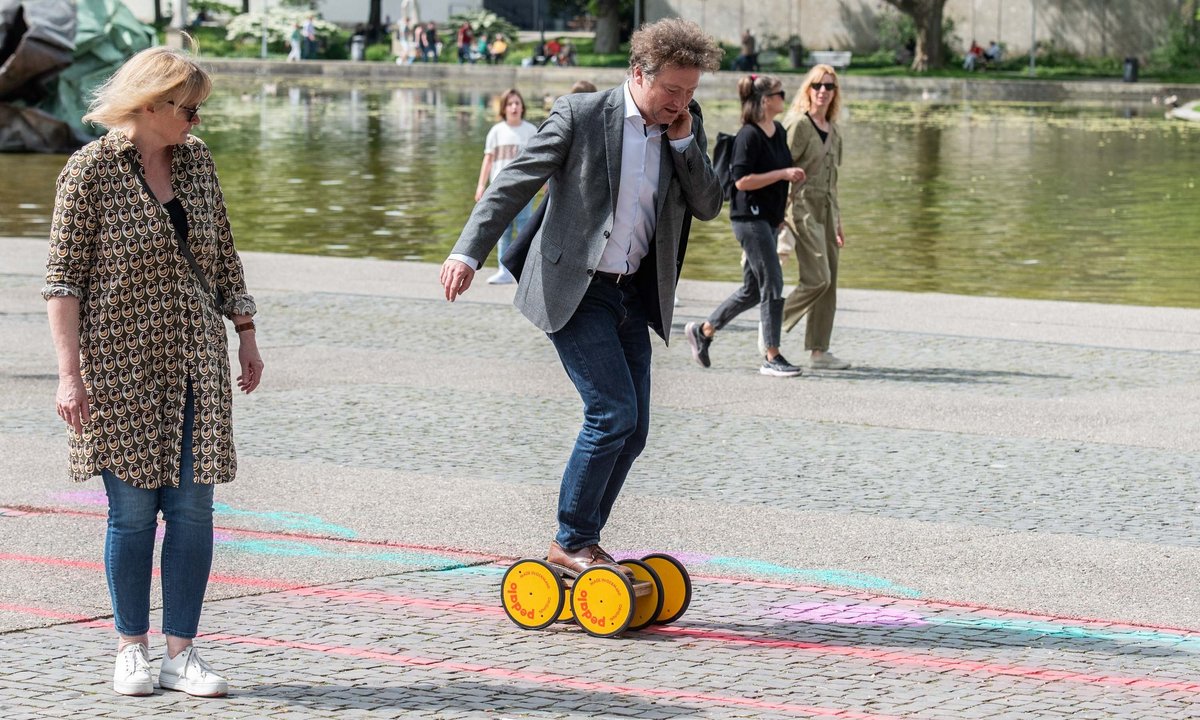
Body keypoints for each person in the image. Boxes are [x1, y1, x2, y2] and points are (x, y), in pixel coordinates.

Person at [439, 18, 723, 578]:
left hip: (633, 294)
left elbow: (709, 204)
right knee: (611, 410)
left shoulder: (685, 127)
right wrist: (467, 253)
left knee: (634, 429)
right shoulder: (583, 116)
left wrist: (687, 139)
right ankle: (572, 540)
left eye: (691, 92)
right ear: (639, 74)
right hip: (574, 288)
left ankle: (584, 544)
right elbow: (514, 182)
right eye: (672, 91)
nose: (681, 102)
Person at [43, 47, 263, 697]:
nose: (196, 121)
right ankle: (131, 648)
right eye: (189, 108)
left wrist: (245, 332)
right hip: (118, 367)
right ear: (150, 104)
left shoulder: (197, 164)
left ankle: (182, 652)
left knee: (193, 510)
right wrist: (68, 373)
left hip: (196, 361)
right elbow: (63, 283)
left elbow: (223, 254)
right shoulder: (89, 172)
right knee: (133, 515)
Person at [686, 75, 806, 377]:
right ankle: (772, 355)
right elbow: (741, 180)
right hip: (748, 219)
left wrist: (780, 210)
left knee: (754, 290)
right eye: (780, 93)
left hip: (768, 219)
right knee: (773, 283)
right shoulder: (748, 136)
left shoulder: (776, 130)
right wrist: (783, 174)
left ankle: (705, 330)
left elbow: (778, 174)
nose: (784, 97)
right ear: (766, 100)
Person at [778, 64, 850, 370]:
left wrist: (838, 221)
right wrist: (779, 217)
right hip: (801, 206)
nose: (823, 91)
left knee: (830, 282)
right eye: (817, 85)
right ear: (808, 88)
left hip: (827, 210)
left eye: (829, 87)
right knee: (818, 278)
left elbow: (833, 182)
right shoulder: (798, 124)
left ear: (835, 94)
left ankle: (819, 351)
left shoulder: (834, 131)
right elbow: (779, 170)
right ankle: (773, 321)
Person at [474, 88, 538, 284]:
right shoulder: (496, 131)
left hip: (524, 189)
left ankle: (524, 270)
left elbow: (541, 161)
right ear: (503, 108)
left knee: (525, 228)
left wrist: (545, 183)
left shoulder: (531, 131)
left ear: (522, 107)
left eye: (517, 103)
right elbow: (488, 160)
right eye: (510, 104)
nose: (514, 107)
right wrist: (481, 186)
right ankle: (504, 269)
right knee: (502, 230)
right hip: (501, 190)